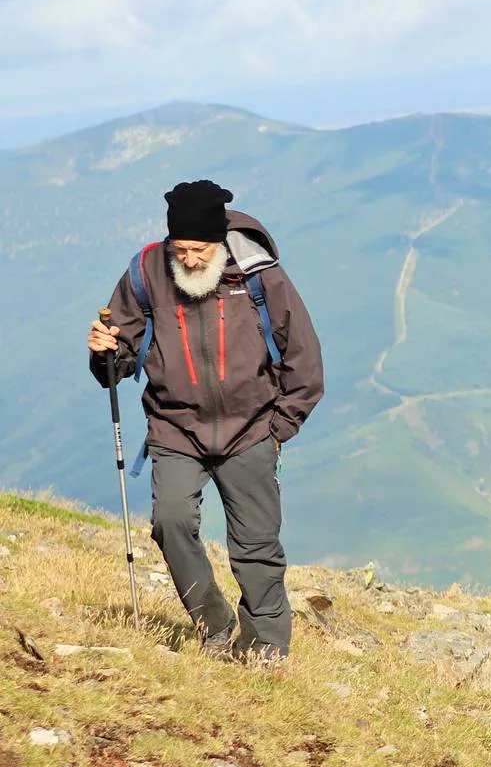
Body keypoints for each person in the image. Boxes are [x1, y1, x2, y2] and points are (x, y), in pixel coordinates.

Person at [87, 180, 324, 664]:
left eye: (200, 249)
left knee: (256, 545)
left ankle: (265, 650)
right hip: (175, 428)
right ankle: (214, 625)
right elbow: (120, 359)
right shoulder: (146, 273)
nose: (190, 259)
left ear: (219, 242)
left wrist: (279, 428)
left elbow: (303, 359)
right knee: (171, 522)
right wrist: (103, 353)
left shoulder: (259, 276)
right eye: (182, 249)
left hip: (252, 428)